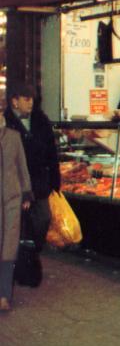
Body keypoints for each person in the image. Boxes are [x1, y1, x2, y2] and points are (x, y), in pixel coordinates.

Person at [4, 83, 60, 254]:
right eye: (26, 99)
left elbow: (51, 151)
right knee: (17, 226)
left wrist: (55, 180)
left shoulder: (41, 120)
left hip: (39, 183)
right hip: (15, 184)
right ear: (15, 101)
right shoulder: (5, 123)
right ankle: (20, 262)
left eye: (32, 100)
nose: (30, 103)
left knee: (43, 219)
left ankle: (33, 253)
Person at [0, 115, 31, 312]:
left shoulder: (13, 137)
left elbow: (22, 166)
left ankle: (4, 295)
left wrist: (26, 193)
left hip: (11, 198)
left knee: (9, 247)